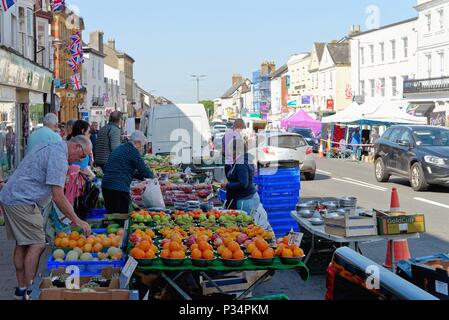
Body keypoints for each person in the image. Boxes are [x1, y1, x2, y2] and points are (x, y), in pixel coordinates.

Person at [0, 136, 92, 300]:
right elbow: (58, 196)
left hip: (14, 195)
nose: (82, 160)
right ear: (77, 147)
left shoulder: (54, 145)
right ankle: (29, 289)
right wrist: (77, 220)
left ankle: (21, 290)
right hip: (23, 200)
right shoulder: (59, 157)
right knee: (38, 244)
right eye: (83, 155)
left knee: (23, 243)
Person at [102, 131, 154, 215]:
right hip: (118, 188)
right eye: (142, 145)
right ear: (137, 142)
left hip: (106, 186)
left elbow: (113, 167)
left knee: (111, 216)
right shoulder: (133, 151)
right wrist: (154, 178)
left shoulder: (121, 148)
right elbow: (144, 170)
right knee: (121, 217)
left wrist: (141, 177)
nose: (142, 148)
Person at [221, 138, 259, 213]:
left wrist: (228, 185)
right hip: (245, 198)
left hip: (245, 201)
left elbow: (243, 184)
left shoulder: (241, 163)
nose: (228, 152)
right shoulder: (241, 160)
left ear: (236, 150)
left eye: (230, 150)